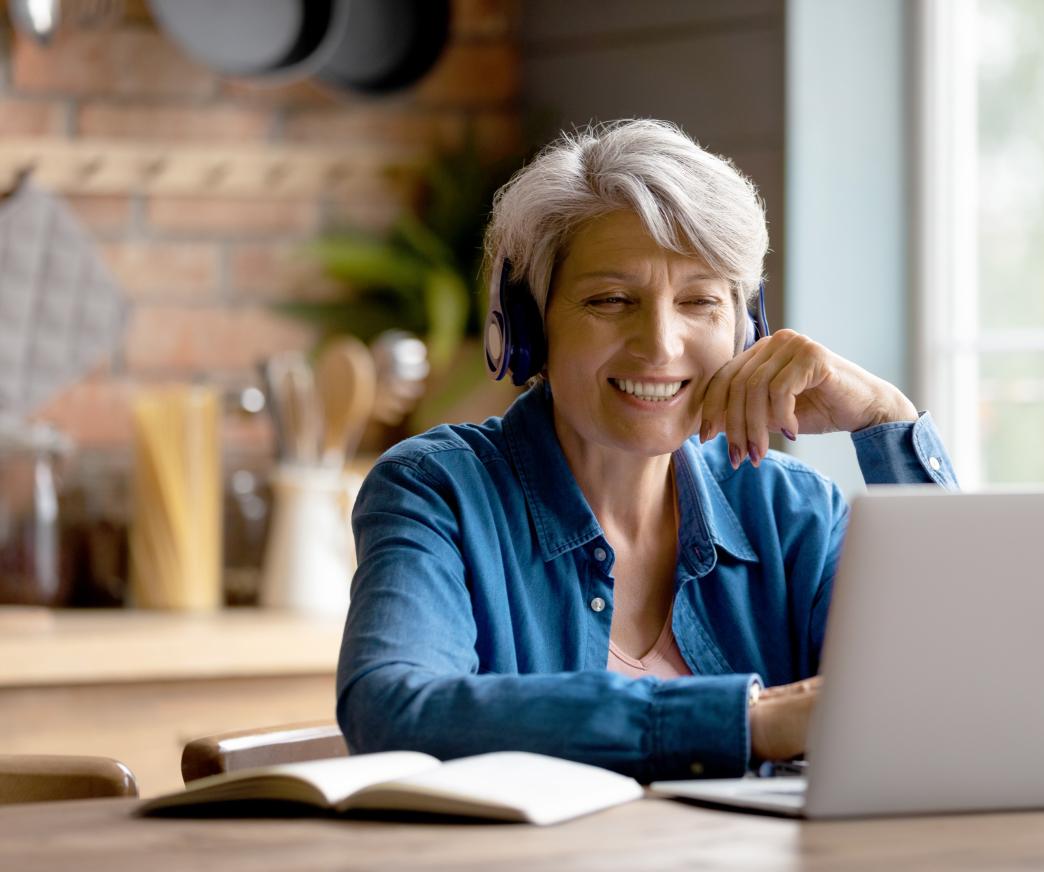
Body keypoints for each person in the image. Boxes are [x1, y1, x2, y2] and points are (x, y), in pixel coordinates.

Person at [336, 119, 957, 781]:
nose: (659, 344)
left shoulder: (792, 511)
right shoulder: (437, 490)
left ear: (748, 331)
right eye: (610, 299)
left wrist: (886, 425)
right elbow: (393, 707)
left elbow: (959, 695)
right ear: (527, 327)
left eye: (700, 301)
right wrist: (745, 722)